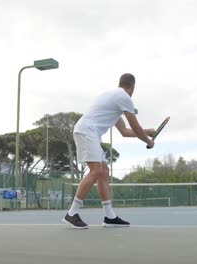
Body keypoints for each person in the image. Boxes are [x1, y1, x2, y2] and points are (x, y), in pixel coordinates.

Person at [62, 73, 155, 229]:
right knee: (97, 170)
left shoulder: (113, 98)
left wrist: (146, 133)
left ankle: (109, 216)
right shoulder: (124, 98)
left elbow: (125, 131)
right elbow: (135, 128)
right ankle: (72, 213)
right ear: (132, 88)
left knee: (104, 171)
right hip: (87, 131)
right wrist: (148, 141)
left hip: (90, 133)